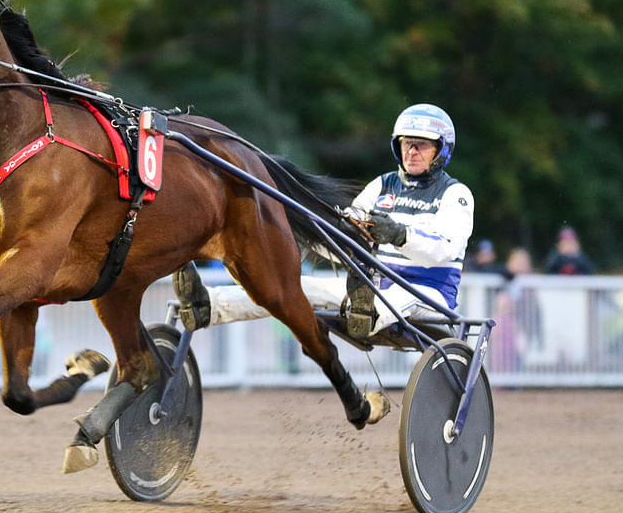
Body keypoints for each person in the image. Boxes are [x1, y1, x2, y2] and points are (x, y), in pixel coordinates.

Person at [173, 103, 474, 341]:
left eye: (421, 145)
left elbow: (444, 251)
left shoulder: (456, 194)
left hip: (426, 294)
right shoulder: (381, 186)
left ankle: (365, 313)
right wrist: (320, 233)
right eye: (407, 143)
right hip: (373, 288)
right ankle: (209, 305)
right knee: (296, 288)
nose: (412, 151)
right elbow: (349, 239)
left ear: (441, 150)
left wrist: (399, 235)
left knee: (392, 299)